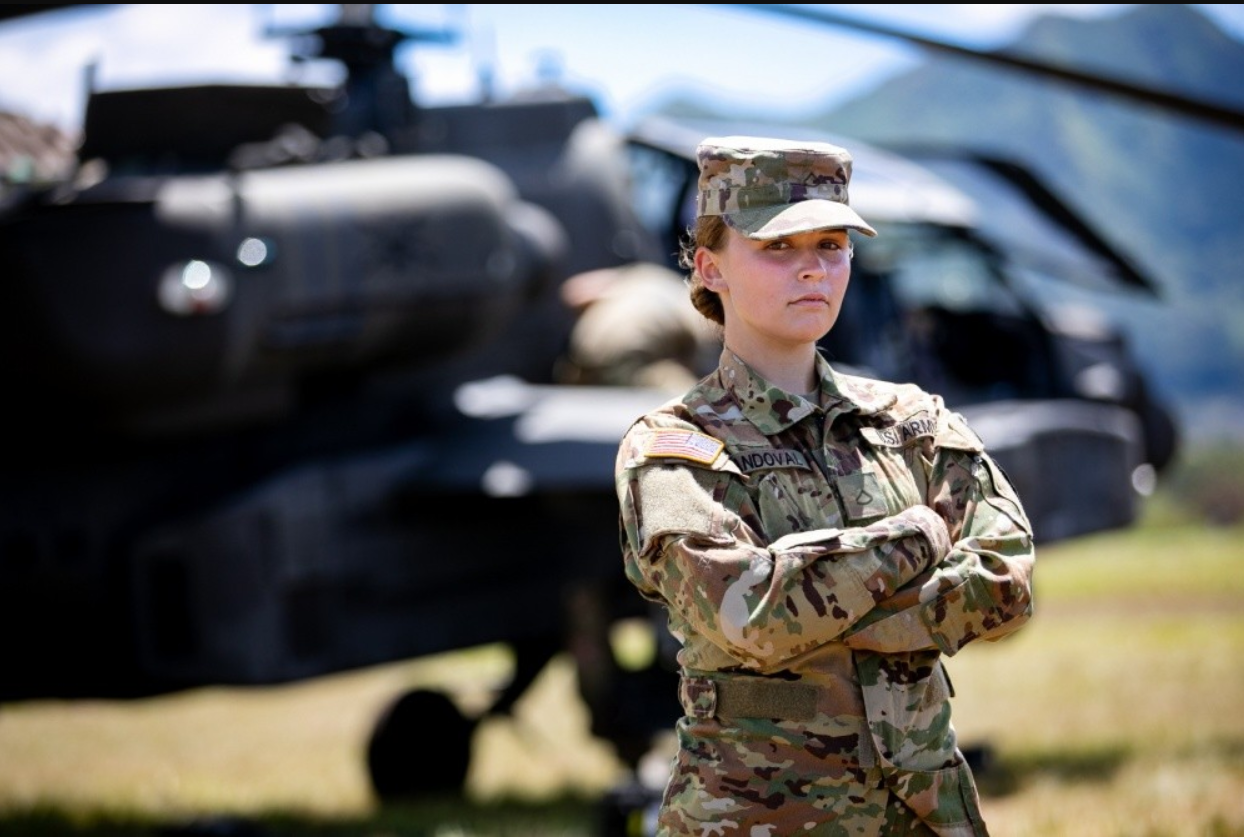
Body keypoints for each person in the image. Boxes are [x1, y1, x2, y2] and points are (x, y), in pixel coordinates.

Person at [614, 135, 1036, 836]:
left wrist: (825, 613)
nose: (812, 269)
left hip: (925, 811)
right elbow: (750, 616)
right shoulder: (673, 447)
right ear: (711, 267)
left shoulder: (912, 421)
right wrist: (923, 535)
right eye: (778, 248)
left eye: (832, 245)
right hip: (757, 817)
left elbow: (1005, 583)